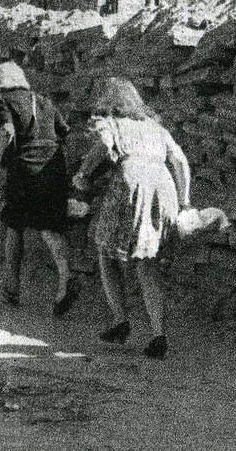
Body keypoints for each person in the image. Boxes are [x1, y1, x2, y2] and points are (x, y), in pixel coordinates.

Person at [72, 78, 190, 359]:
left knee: (106, 252)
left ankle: (120, 320)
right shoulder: (156, 128)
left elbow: (102, 146)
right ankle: (158, 334)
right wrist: (184, 201)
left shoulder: (111, 124)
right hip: (162, 187)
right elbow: (180, 161)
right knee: (146, 262)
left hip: (131, 184)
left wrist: (83, 174)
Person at [0, 61, 78, 317]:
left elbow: (7, 129)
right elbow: (63, 132)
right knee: (49, 226)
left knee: (14, 224)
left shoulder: (0, 98)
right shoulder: (44, 101)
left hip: (24, 169)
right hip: (52, 167)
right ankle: (65, 280)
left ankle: (11, 287)